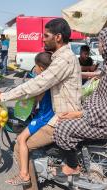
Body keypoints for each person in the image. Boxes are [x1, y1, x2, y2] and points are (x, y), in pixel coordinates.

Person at [0, 18, 82, 190]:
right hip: (62, 114)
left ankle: (27, 181)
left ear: (58, 37)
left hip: (61, 119)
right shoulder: (64, 57)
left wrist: (4, 96)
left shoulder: (64, 59)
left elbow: (37, 84)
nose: (43, 39)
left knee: (20, 144)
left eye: (46, 35)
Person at [53, 27, 107, 183]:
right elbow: (99, 75)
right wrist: (76, 73)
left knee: (62, 127)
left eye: (102, 42)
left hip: (101, 121)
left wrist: (78, 114)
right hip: (96, 111)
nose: (100, 45)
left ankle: (73, 165)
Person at [6, 52, 54, 186]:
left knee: (21, 139)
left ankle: (24, 175)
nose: (35, 69)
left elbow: (33, 96)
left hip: (44, 118)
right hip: (47, 114)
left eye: (36, 66)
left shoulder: (43, 81)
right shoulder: (52, 77)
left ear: (42, 68)